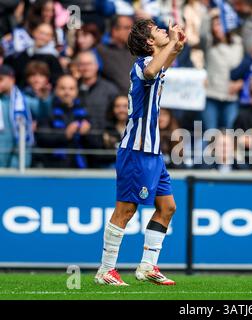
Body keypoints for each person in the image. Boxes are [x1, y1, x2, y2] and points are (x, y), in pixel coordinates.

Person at [95, 19, 186, 286]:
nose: (161, 31)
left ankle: (147, 266)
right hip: (136, 150)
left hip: (153, 152)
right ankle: (106, 270)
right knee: (126, 209)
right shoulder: (142, 66)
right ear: (149, 42)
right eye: (157, 31)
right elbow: (152, 70)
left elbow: (170, 56)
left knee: (167, 207)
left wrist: (176, 43)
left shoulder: (156, 64)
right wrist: (171, 44)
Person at [35, 74, 91, 168]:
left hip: (80, 167)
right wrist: (65, 135)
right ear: (56, 90)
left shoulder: (84, 112)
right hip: (53, 166)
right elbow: (42, 137)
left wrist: (88, 132)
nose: (67, 92)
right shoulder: (47, 110)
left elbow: (94, 143)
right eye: (63, 88)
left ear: (76, 91)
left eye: (71, 89)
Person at [201, 9, 244, 130]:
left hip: (231, 95)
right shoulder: (209, 42)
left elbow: (244, 66)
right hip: (211, 94)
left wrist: (241, 81)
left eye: (222, 23)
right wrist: (210, 14)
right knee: (210, 132)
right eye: (216, 24)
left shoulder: (238, 42)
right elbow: (202, 33)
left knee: (230, 132)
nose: (219, 27)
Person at [0, 64, 34, 168]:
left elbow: (42, 110)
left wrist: (44, 98)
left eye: (0, 79)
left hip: (18, 156)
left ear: (11, 79)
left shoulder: (23, 100)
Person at [97, 15, 135, 95]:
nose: (132, 31)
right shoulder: (102, 50)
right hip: (114, 101)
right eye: (127, 28)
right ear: (114, 30)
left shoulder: (137, 51)